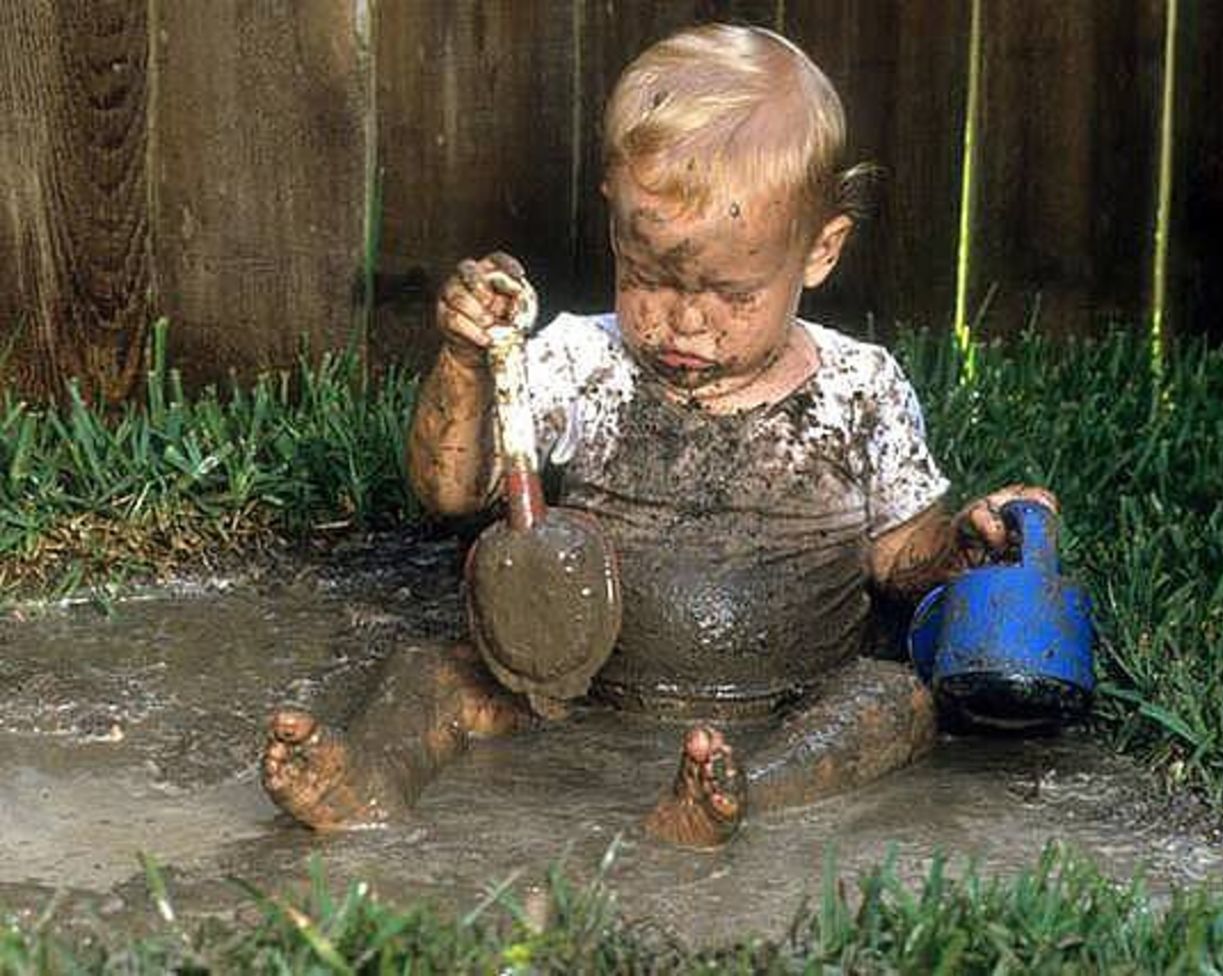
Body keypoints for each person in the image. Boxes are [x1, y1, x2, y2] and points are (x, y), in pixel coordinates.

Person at [261, 23, 1056, 848]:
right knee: (432, 671)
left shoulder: (858, 389)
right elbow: (450, 490)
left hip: (794, 690)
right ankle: (374, 777)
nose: (682, 319)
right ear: (615, 221)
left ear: (819, 252)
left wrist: (962, 547)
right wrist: (468, 360)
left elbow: (900, 559)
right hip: (570, 682)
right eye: (647, 278)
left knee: (894, 704)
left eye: (728, 293)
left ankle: (741, 793)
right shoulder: (585, 360)